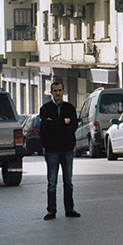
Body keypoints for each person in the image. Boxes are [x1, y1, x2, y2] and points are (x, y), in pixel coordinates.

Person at [36, 82, 81, 220]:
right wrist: (63, 122)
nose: (57, 93)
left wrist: (55, 123)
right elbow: (46, 126)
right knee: (52, 183)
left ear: (63, 91)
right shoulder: (45, 109)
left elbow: (73, 126)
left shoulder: (69, 108)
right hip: (52, 151)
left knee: (68, 182)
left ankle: (69, 209)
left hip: (67, 150)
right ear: (51, 92)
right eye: (55, 90)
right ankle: (51, 211)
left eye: (60, 90)